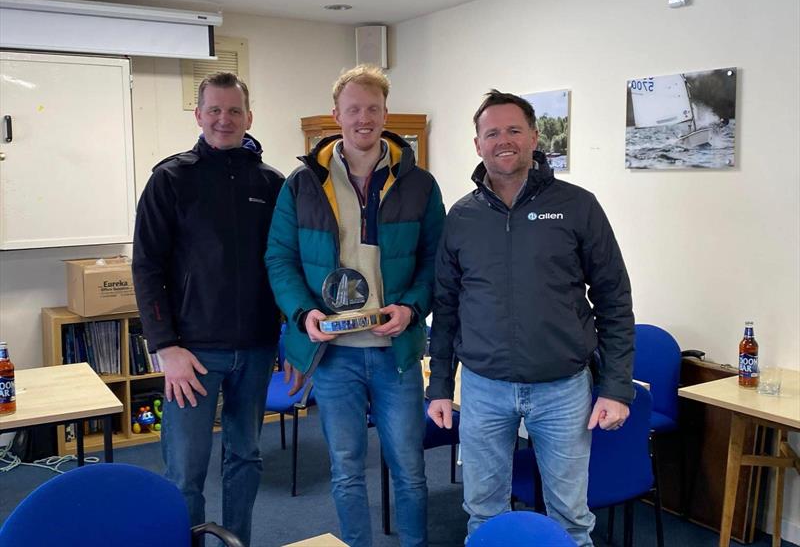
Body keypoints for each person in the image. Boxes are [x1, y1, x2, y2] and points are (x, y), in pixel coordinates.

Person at [427, 90, 635, 546]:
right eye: (492, 132)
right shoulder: (461, 217)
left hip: (563, 389)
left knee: (571, 521)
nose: (504, 140)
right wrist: (440, 385)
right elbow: (445, 309)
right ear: (478, 144)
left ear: (534, 137)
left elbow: (614, 300)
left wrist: (617, 387)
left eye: (514, 130)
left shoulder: (578, 206)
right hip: (483, 389)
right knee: (484, 516)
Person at [266, 64, 445, 547]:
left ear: (386, 112)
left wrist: (411, 307)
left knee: (409, 468)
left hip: (398, 352)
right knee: (345, 470)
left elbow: (436, 262)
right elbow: (279, 260)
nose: (363, 118)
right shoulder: (301, 185)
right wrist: (304, 315)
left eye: (372, 108)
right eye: (353, 110)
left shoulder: (421, 185)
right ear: (335, 115)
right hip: (334, 354)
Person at [132, 72, 284, 546]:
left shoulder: (272, 183)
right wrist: (165, 346)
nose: (224, 119)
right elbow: (146, 266)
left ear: (249, 117)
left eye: (234, 110)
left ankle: (238, 540)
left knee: (246, 458)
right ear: (198, 115)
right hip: (192, 354)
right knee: (186, 470)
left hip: (256, 350)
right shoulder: (171, 179)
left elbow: (286, 265)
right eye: (214, 110)